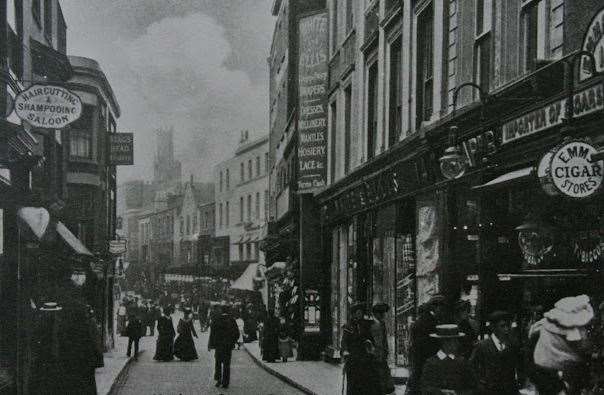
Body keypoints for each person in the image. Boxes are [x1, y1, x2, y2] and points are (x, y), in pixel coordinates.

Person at [470, 311, 520, 395]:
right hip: (489, 391)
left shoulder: (512, 345)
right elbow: (471, 366)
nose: (506, 329)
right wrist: (481, 383)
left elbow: (516, 367)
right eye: (502, 326)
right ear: (493, 328)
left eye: (507, 326)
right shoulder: (482, 346)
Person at [420, 324, 477, 394]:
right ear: (445, 342)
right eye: (455, 340)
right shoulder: (431, 364)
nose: (458, 343)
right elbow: (425, 388)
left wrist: (458, 393)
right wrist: (441, 392)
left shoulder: (462, 363)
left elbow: (473, 388)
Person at [406, 294, 445, 395]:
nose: (442, 310)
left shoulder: (421, 321)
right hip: (425, 360)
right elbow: (429, 345)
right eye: (441, 307)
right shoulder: (429, 322)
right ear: (435, 307)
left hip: (419, 361)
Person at [341, 302, 381, 395]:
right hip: (353, 359)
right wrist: (345, 351)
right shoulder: (348, 326)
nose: (359, 315)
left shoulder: (366, 325)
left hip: (364, 358)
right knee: (353, 383)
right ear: (354, 314)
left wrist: (371, 345)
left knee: (364, 383)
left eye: (361, 313)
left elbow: (371, 339)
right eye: (358, 313)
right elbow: (344, 342)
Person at [208, 304, 240, 389]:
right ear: (228, 311)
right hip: (228, 346)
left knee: (218, 363)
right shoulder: (231, 320)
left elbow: (212, 333)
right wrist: (233, 341)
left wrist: (212, 344)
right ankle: (226, 382)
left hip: (219, 346)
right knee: (227, 363)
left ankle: (218, 379)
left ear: (221, 311)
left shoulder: (216, 319)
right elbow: (236, 333)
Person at [370, 302, 395, 394]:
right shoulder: (375, 325)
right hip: (378, 358)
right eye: (383, 313)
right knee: (379, 380)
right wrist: (380, 356)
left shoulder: (381, 323)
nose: (384, 315)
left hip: (381, 357)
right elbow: (378, 343)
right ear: (377, 313)